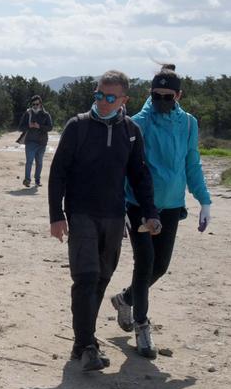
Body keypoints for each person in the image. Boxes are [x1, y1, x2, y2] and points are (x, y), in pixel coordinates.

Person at [47, 69, 161, 371]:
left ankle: (81, 342)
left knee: (101, 278)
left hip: (114, 216)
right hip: (81, 213)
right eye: (99, 95)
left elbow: (140, 175)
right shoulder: (77, 127)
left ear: (124, 99)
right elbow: (58, 172)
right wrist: (56, 216)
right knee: (85, 278)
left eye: (110, 97)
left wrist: (150, 212)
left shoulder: (131, 131)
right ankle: (87, 345)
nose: (103, 102)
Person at [109, 65, 212, 359]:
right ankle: (142, 326)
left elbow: (192, 164)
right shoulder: (137, 123)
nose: (162, 100)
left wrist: (204, 201)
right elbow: (127, 169)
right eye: (157, 95)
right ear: (150, 94)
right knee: (145, 264)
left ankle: (125, 298)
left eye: (168, 96)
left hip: (171, 206)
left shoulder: (189, 124)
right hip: (140, 205)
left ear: (179, 95)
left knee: (161, 266)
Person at [18, 94, 53, 188]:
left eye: (37, 104)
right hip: (30, 141)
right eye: (33, 104)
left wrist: (39, 126)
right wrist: (29, 126)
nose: (35, 106)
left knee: (39, 163)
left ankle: (37, 180)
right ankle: (27, 180)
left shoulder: (46, 114)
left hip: (42, 143)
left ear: (41, 104)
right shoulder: (27, 113)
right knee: (29, 161)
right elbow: (20, 127)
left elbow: (50, 127)